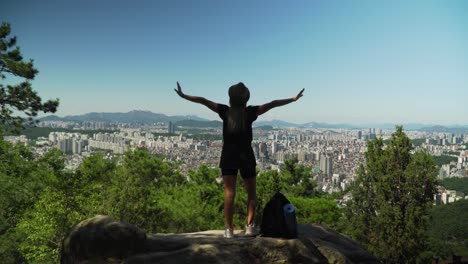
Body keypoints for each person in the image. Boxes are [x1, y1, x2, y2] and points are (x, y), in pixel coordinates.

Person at [174, 82, 304, 238]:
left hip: (228, 156)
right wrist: (293, 99)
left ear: (231, 98)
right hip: (246, 156)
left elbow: (203, 100)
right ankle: (249, 226)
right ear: (246, 98)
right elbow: (273, 104)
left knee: (229, 194)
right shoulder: (250, 112)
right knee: (251, 194)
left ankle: (228, 230)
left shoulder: (225, 111)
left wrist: (184, 96)